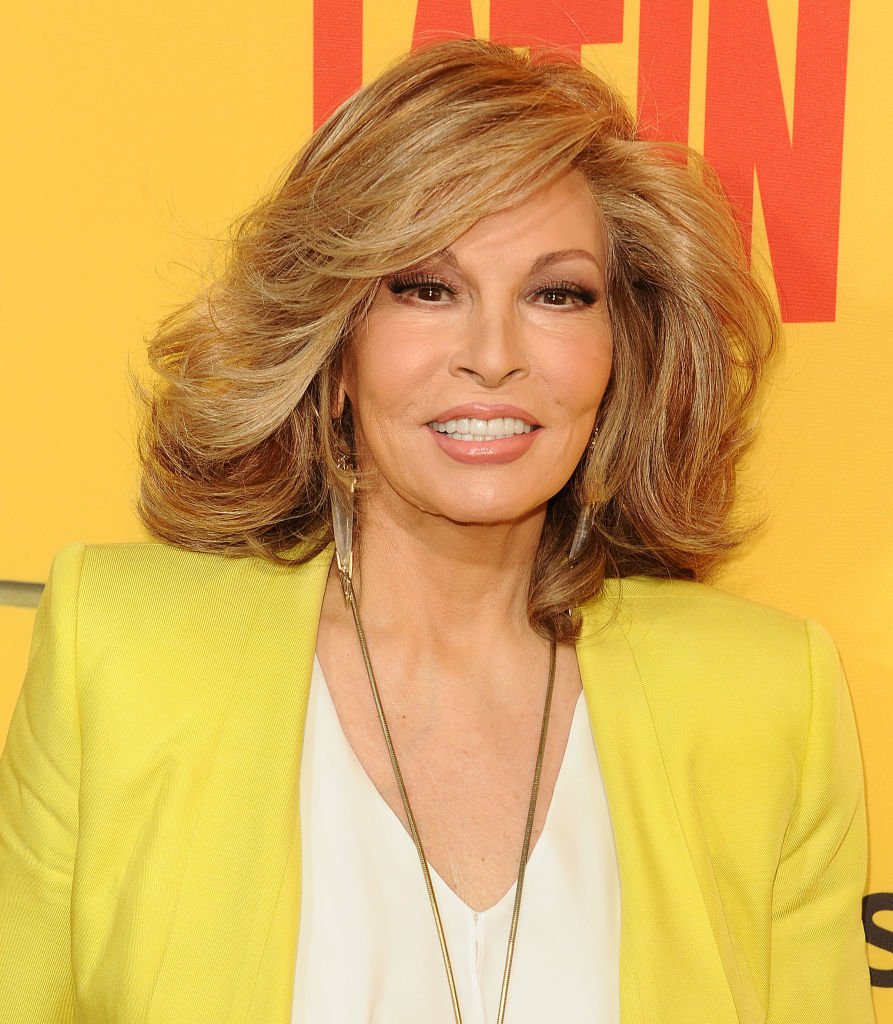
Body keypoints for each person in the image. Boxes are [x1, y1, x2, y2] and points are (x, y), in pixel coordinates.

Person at [0, 38, 875, 1024]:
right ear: (332, 346)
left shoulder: (766, 702)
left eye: (556, 294)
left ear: (618, 356)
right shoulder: (117, 655)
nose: (492, 356)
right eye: (425, 287)